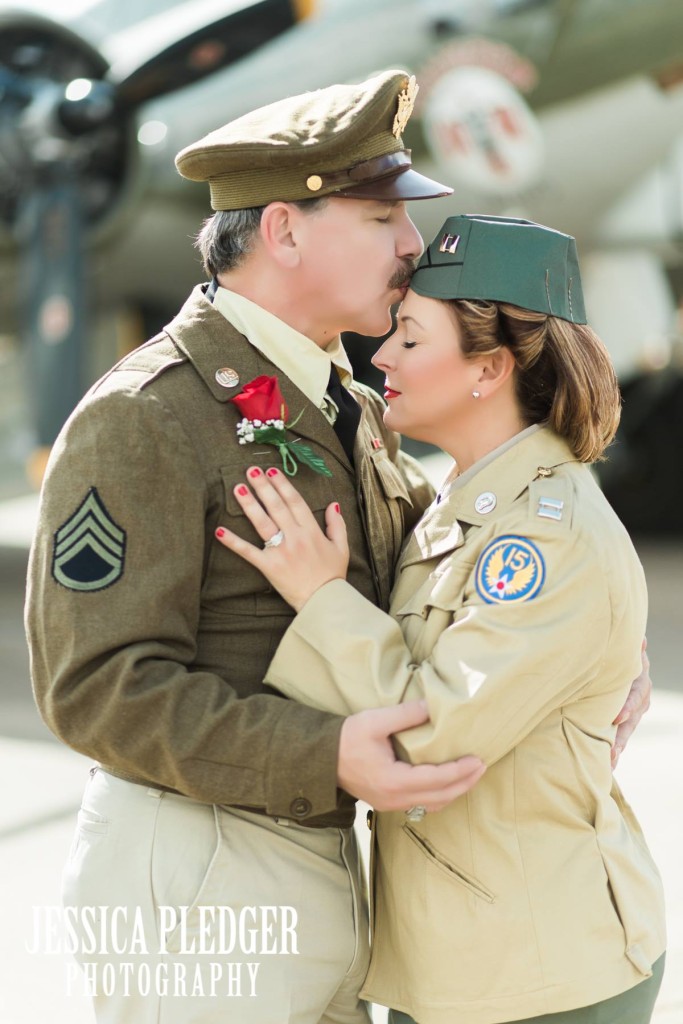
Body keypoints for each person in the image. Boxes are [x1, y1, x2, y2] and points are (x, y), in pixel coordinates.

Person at [24, 71, 489, 1024]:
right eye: (380, 218)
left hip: (307, 849)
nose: (412, 246)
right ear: (283, 231)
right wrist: (324, 755)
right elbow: (97, 686)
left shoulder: (346, 403)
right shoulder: (144, 414)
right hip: (199, 869)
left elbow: (405, 582)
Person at [215, 214, 667, 1024]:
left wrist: (320, 601)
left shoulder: (545, 534)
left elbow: (435, 736)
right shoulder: (460, 501)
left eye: (411, 340)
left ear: (487, 369)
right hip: (467, 961)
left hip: (541, 973)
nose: (380, 356)